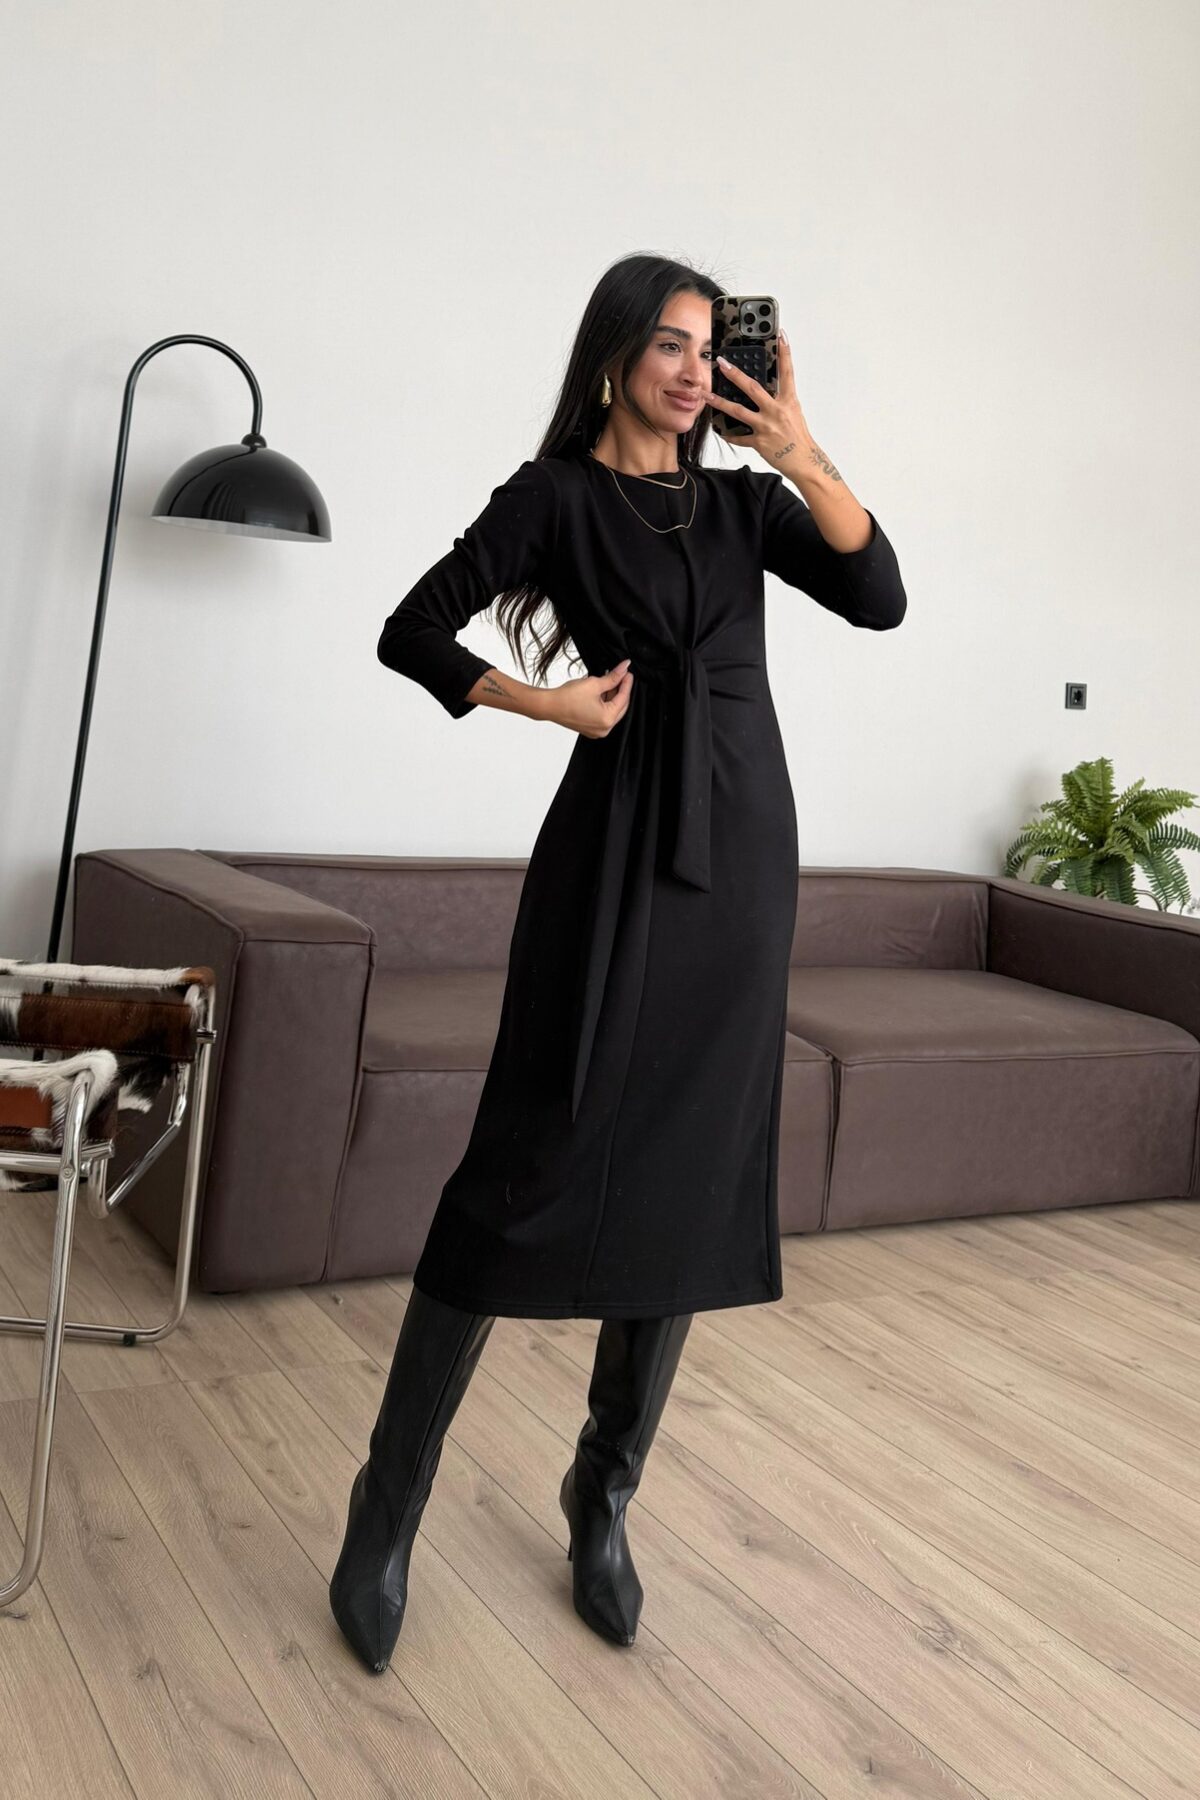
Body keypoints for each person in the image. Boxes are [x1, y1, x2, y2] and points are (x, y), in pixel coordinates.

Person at [330, 252, 908, 1674]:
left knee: (693, 1171)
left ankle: (603, 1497)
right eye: (670, 346)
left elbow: (881, 596)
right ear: (613, 359)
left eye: (712, 348)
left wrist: (800, 447)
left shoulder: (745, 503)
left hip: (744, 861)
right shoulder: (553, 500)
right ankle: (384, 1511)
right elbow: (410, 629)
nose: (696, 371)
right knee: (522, 1164)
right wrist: (548, 706)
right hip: (612, 854)